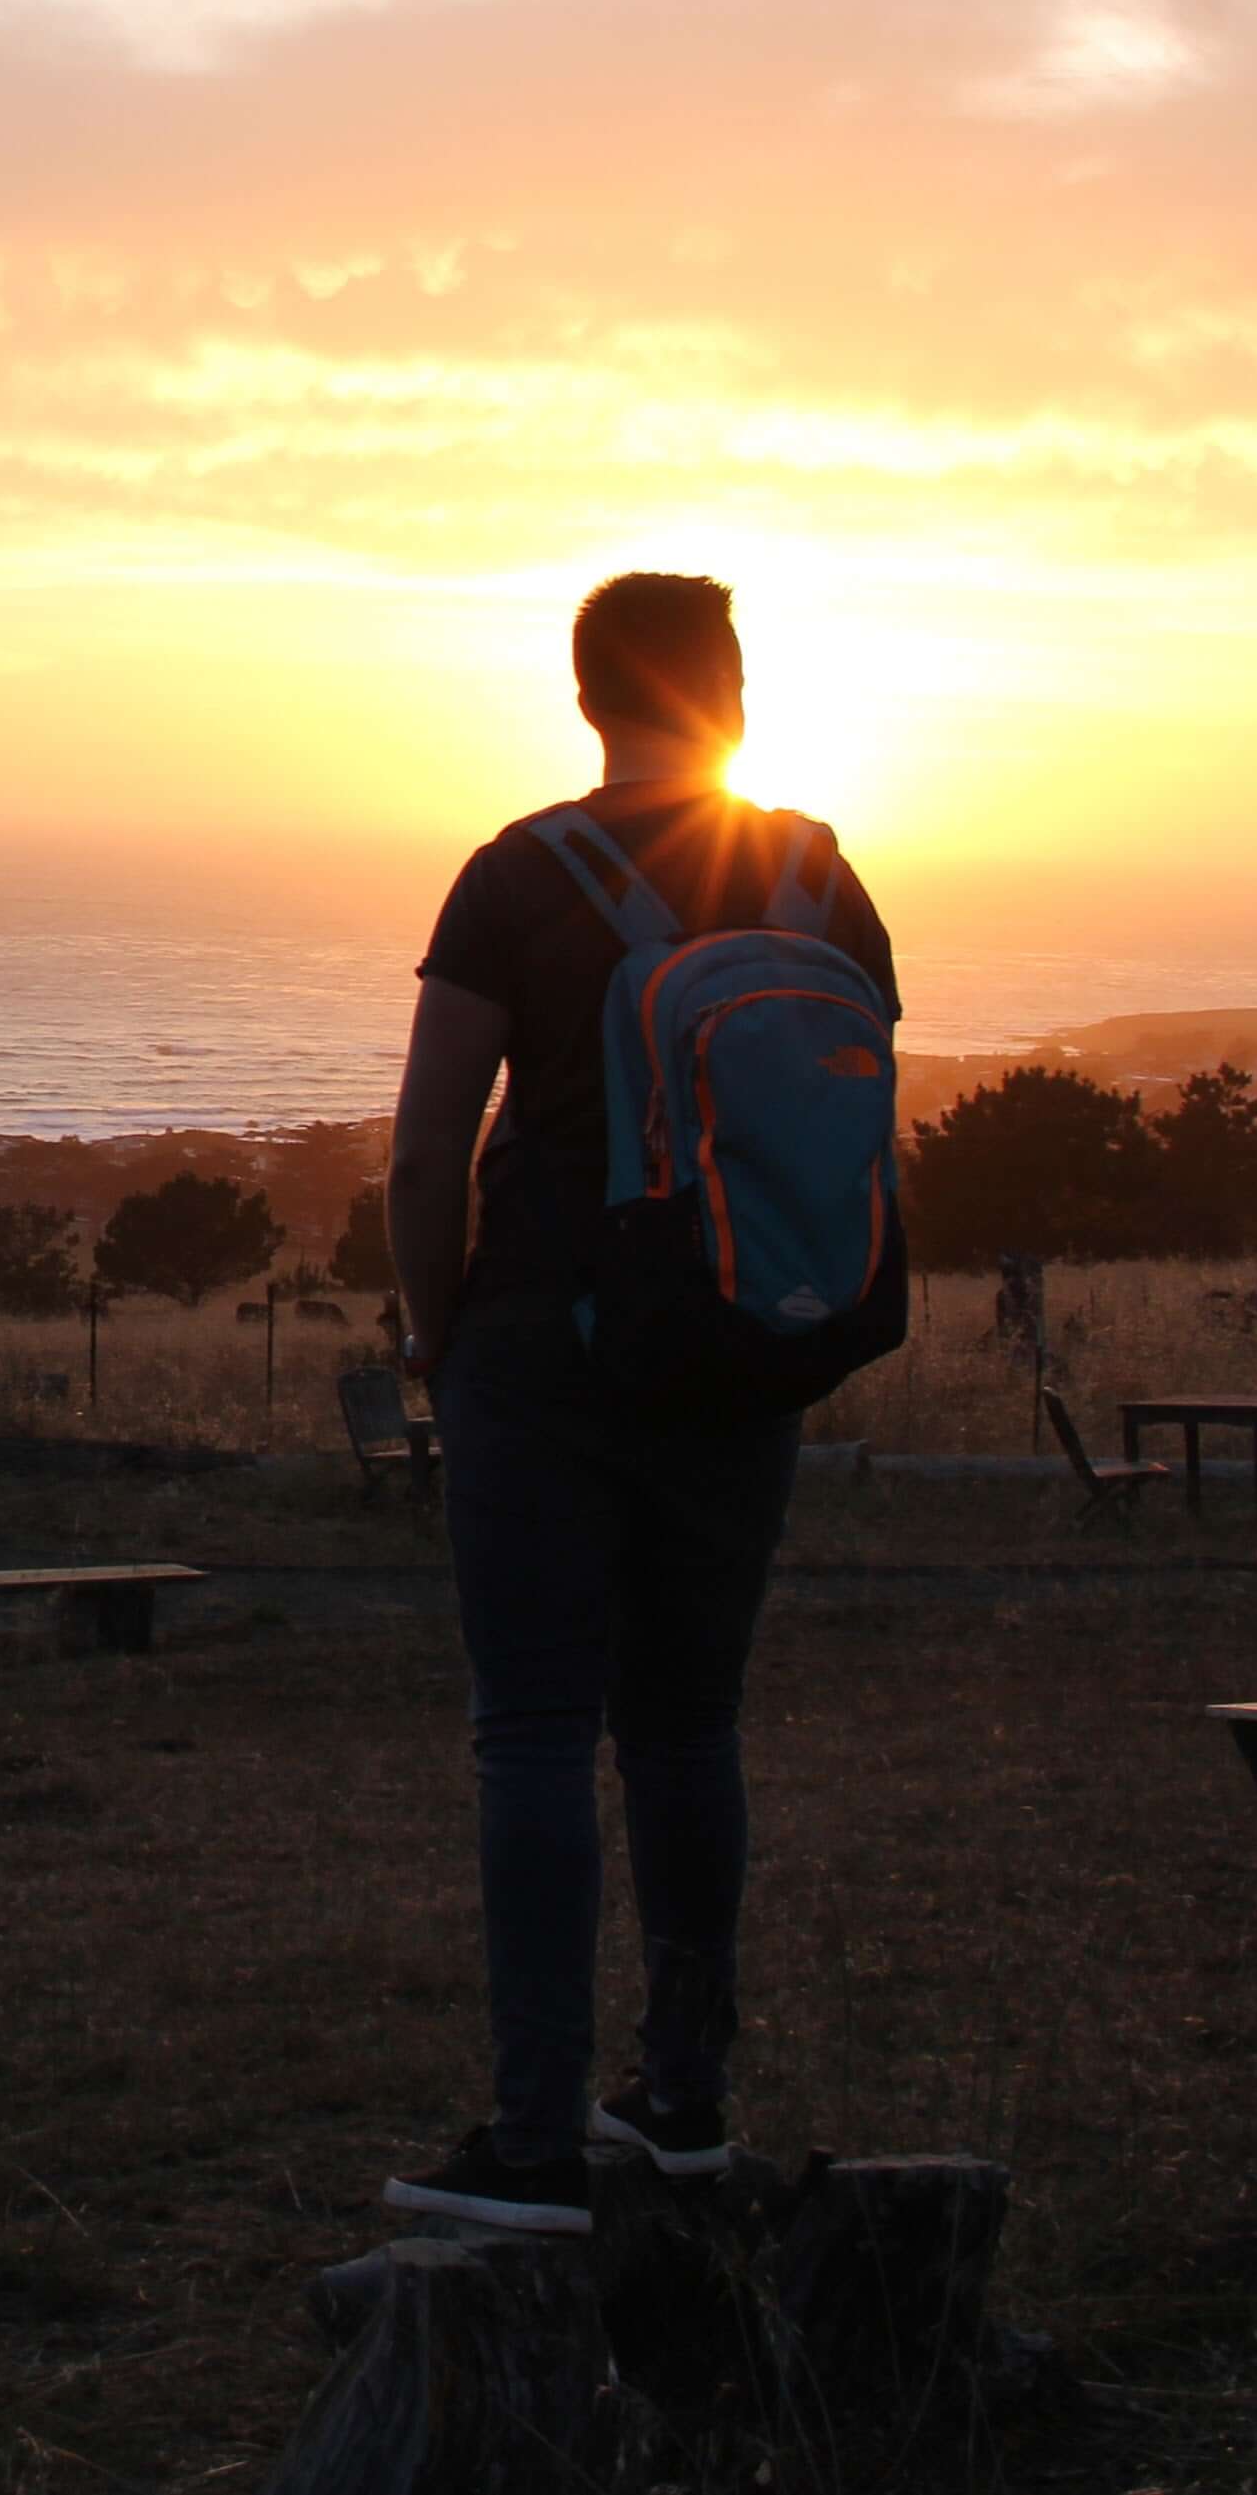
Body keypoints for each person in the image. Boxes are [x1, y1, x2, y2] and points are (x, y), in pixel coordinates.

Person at [376, 571, 898, 2235]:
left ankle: (532, 2140)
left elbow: (423, 1144)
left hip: (542, 1342)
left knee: (532, 1726)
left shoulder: (519, 874)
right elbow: (838, 1113)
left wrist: (438, 1335)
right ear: (730, 690)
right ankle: (684, 2103)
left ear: (589, 695)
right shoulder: (822, 875)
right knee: (685, 1724)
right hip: (745, 1340)